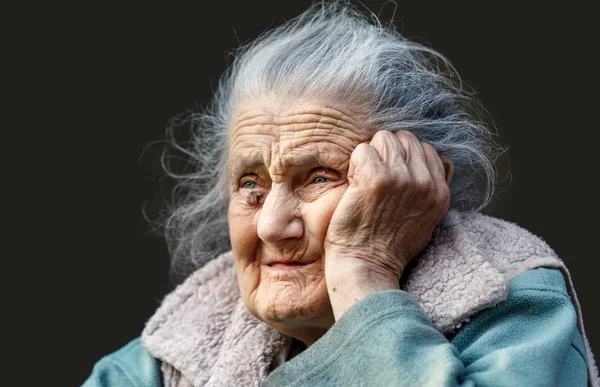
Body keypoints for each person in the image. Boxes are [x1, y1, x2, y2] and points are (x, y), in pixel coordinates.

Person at [84, 1, 597, 386]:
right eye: (250, 186)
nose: (271, 226)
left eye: (319, 177)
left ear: (418, 185)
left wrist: (362, 273)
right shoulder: (175, 350)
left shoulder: (509, 301)